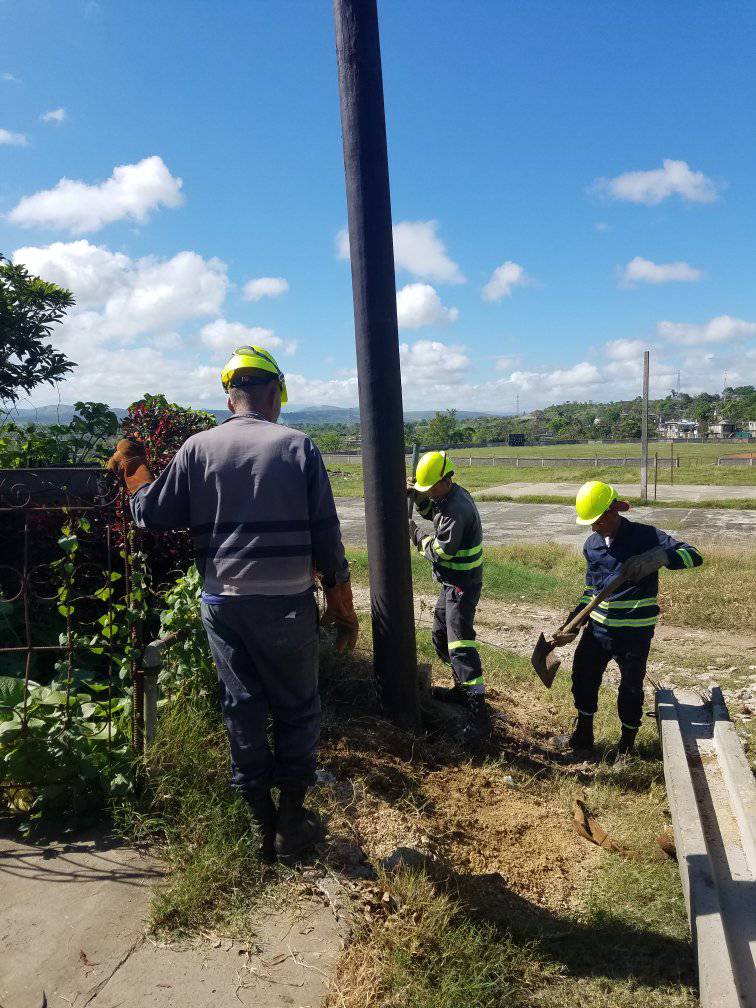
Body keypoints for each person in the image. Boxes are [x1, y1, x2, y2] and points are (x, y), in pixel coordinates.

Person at [106, 346, 358, 863]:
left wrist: (134, 468)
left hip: (223, 602)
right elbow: (327, 536)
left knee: (242, 706)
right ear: (274, 392)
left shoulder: (198, 449)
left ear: (230, 395)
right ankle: (291, 818)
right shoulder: (299, 447)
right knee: (297, 707)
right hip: (287, 602)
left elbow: (149, 515)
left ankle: (258, 821)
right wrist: (341, 603)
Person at [555, 480, 703, 758]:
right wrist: (574, 621)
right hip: (598, 629)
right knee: (583, 676)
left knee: (630, 688)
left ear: (612, 512)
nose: (593, 527)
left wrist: (660, 557)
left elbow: (694, 556)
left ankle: (626, 748)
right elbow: (591, 590)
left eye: (597, 521)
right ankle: (583, 736)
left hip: (634, 633)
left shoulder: (646, 537)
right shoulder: (592, 545)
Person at [407, 450, 491, 745]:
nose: (428, 492)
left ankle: (479, 714)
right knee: (440, 634)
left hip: (461, 585)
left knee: (460, 645)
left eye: (429, 487)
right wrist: (419, 497)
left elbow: (441, 552)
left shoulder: (456, 509)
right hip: (453, 584)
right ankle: (460, 688)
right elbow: (433, 512)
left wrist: (414, 534)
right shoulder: (447, 497)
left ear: (444, 480)